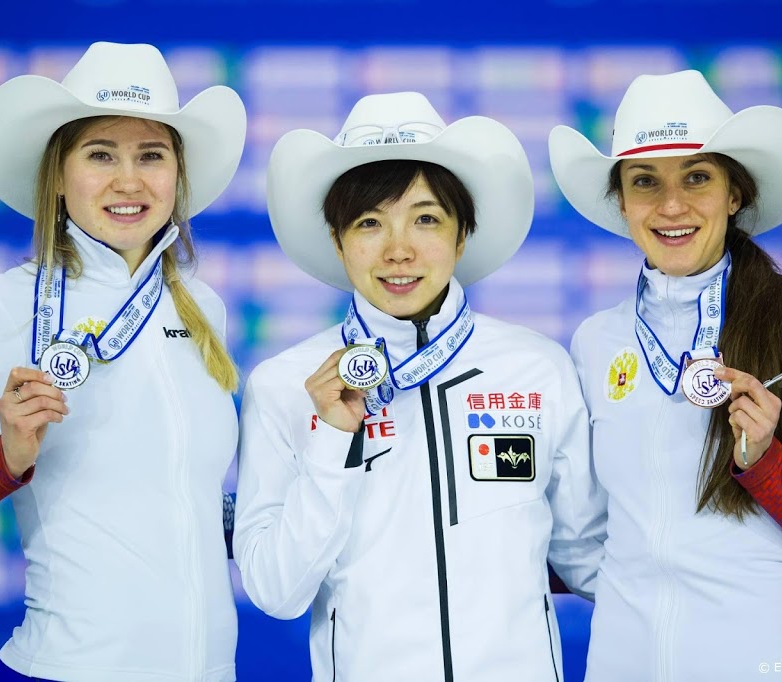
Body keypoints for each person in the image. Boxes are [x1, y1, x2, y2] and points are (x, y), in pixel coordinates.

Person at [0, 42, 246, 681]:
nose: (128, 181)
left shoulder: (205, 309)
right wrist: (5, 459)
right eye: (101, 154)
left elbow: (183, 511)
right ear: (59, 173)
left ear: (176, 177)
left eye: (151, 156)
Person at [233, 92, 606, 681]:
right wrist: (332, 439)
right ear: (338, 242)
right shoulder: (285, 385)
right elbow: (277, 591)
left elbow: (589, 558)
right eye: (369, 223)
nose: (398, 249)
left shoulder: (537, 367)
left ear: (463, 235)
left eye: (426, 218)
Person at [548, 70, 782, 681]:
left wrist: (771, 469)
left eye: (698, 178)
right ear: (622, 203)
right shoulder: (593, 343)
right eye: (645, 182)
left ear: (734, 194)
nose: (672, 205)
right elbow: (589, 535)